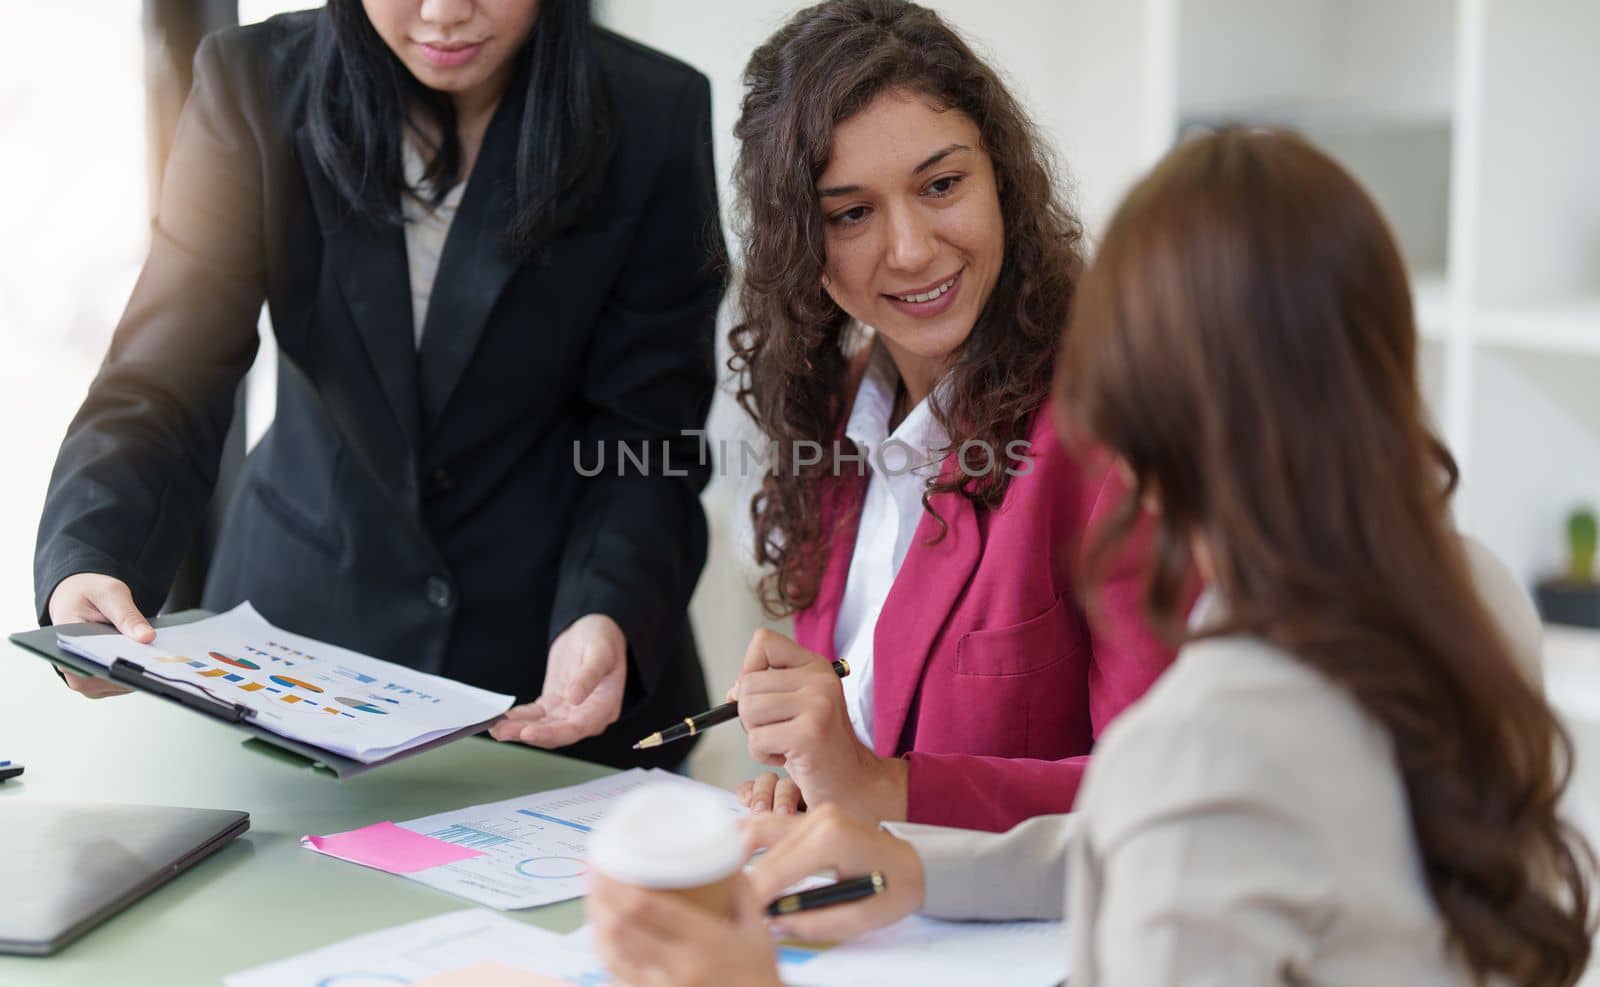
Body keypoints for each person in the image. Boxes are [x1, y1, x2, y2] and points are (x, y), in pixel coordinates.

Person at [588, 129, 1596, 986]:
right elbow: (1142, 831)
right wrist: (925, 869)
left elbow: (1181, 816)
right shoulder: (1475, 593)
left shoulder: (1209, 737)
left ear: (1135, 405)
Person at [32, 0, 723, 770]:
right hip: (300, 653)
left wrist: (608, 607)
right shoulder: (253, 87)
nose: (443, 8)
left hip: (549, 669)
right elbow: (167, 372)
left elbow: (647, 432)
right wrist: (90, 557)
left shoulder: (653, 114)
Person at [721, 0, 1172, 831]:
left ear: (1000, 174)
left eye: (941, 184)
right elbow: (864, 736)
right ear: (801, 247)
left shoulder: (1120, 425)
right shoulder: (835, 415)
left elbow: (1160, 791)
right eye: (851, 213)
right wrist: (813, 772)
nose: (911, 249)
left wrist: (876, 786)